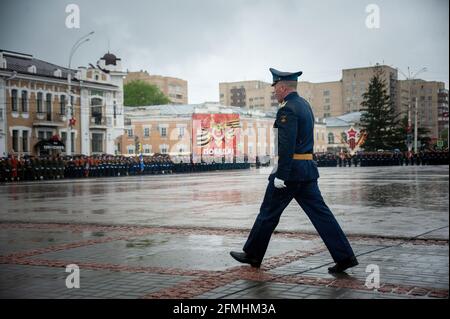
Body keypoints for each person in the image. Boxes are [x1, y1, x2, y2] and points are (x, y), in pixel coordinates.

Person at [230, 68, 358, 273]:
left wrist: (280, 174)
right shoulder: (305, 105)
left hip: (290, 172)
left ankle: (253, 253)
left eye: (275, 88)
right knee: (322, 215)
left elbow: (287, 144)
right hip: (306, 170)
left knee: (268, 213)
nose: (274, 92)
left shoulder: (287, 109)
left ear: (282, 87)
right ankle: (345, 256)